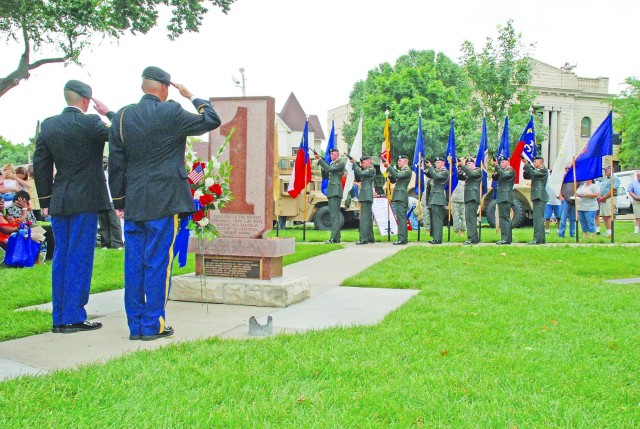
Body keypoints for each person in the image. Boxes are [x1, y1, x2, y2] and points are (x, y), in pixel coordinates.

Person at [109, 66, 221, 341]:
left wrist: (120, 200)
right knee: (159, 262)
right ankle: (152, 325)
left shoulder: (123, 116)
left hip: (135, 201)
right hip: (165, 199)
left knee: (134, 264)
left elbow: (116, 164)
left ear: (143, 87)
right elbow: (211, 119)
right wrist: (191, 95)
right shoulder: (171, 112)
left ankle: (135, 326)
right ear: (165, 88)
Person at [34, 79, 113, 333]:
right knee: (80, 257)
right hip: (86, 199)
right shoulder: (91, 122)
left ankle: (59, 317)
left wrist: (45, 200)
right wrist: (108, 113)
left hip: (59, 199)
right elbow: (119, 135)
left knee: (61, 257)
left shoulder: (49, 125)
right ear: (86, 101)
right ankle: (73, 317)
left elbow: (41, 165)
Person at [315, 148, 345, 244]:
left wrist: (320, 160)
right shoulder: (333, 164)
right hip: (332, 191)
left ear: (337, 154)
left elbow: (328, 169)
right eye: (330, 154)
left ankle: (333, 238)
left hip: (336, 191)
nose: (331, 155)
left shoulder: (340, 162)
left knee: (334, 215)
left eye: (332, 154)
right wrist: (322, 162)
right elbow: (326, 173)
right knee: (333, 215)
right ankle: (336, 237)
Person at [381, 155, 412, 245]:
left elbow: (398, 175)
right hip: (399, 195)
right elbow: (394, 180)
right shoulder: (402, 170)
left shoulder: (407, 170)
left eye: (400, 160)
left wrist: (389, 166)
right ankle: (402, 238)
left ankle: (402, 238)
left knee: (401, 218)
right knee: (400, 218)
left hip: (401, 196)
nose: (398, 162)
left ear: (405, 161)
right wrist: (390, 171)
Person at [98, 156, 124, 249]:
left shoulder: (112, 174)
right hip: (102, 201)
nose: (104, 165)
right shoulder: (98, 175)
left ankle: (117, 243)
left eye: (105, 163)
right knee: (103, 223)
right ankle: (105, 244)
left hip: (112, 201)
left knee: (114, 223)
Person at [523, 156, 549, 245]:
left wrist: (527, 164)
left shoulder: (542, 169)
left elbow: (532, 172)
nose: (534, 162)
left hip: (540, 196)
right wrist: (527, 165)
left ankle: (537, 239)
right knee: (538, 219)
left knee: (538, 219)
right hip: (537, 196)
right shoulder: (537, 170)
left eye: (535, 161)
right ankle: (541, 239)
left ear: (541, 161)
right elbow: (527, 175)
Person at [350, 155, 376, 244]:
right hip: (366, 195)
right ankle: (370, 237)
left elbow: (360, 173)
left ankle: (363, 238)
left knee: (364, 218)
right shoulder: (367, 170)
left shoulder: (371, 169)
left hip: (366, 195)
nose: (362, 164)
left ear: (369, 161)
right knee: (367, 218)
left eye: (363, 162)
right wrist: (356, 165)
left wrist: (354, 164)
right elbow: (359, 174)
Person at [492, 156, 515, 245]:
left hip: (506, 196)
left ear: (508, 162)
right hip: (502, 196)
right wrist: (496, 168)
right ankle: (505, 238)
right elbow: (496, 177)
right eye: (500, 162)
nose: (501, 164)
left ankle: (506, 239)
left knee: (505, 218)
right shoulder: (503, 171)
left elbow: (505, 176)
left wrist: (497, 166)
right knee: (502, 218)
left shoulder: (510, 170)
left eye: (503, 162)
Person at [425, 157, 448, 244]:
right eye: (435, 163)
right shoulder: (435, 171)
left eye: (438, 162)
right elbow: (430, 179)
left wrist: (430, 167)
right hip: (433, 199)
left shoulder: (444, 171)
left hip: (438, 198)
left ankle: (438, 238)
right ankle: (435, 237)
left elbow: (436, 176)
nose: (436, 164)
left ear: (443, 163)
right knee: (433, 220)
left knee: (437, 220)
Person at [459, 157, 482, 245]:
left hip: (473, 197)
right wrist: (459, 167)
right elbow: (460, 177)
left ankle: (472, 237)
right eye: (467, 163)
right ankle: (474, 238)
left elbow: (471, 174)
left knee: (471, 218)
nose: (467, 165)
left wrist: (463, 166)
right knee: (469, 218)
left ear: (473, 164)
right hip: (468, 197)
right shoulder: (468, 172)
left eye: (469, 164)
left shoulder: (477, 170)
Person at [598, 165, 619, 236]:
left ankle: (611, 232)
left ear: (611, 170)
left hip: (609, 198)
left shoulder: (615, 178)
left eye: (606, 171)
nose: (605, 172)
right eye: (604, 171)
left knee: (609, 215)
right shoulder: (605, 179)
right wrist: (600, 197)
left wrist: (604, 197)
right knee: (603, 215)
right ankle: (608, 231)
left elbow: (613, 189)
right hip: (603, 198)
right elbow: (602, 188)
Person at [558, 168, 577, 238]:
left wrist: (577, 194)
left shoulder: (576, 177)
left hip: (574, 201)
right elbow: (558, 188)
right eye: (566, 168)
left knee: (573, 219)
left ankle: (572, 234)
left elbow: (580, 187)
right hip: (565, 200)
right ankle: (561, 234)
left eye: (569, 168)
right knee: (563, 218)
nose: (567, 169)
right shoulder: (563, 178)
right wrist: (560, 197)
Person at [451, 161, 466, 237]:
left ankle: (463, 231)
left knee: (463, 216)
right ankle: (456, 231)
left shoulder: (467, 172)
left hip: (464, 198)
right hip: (454, 198)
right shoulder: (454, 174)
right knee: (455, 216)